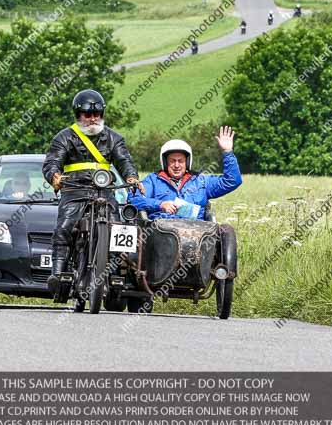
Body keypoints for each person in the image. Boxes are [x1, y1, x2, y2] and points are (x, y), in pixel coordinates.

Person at [42, 89, 144, 296]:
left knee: (120, 230)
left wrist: (132, 178)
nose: (92, 119)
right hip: (74, 192)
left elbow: (124, 161)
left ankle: (117, 274)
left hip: (105, 192)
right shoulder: (65, 137)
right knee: (64, 226)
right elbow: (52, 161)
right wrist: (55, 176)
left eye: (96, 114)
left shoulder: (114, 138)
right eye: (87, 115)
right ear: (78, 115)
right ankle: (57, 274)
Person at [129, 126, 242, 220]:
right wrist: (160, 204)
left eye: (181, 161)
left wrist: (227, 152)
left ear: (187, 162)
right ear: (165, 162)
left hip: (196, 232)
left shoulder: (201, 181)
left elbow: (232, 181)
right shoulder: (153, 180)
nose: (177, 165)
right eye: (173, 161)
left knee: (227, 231)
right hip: (161, 233)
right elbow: (134, 199)